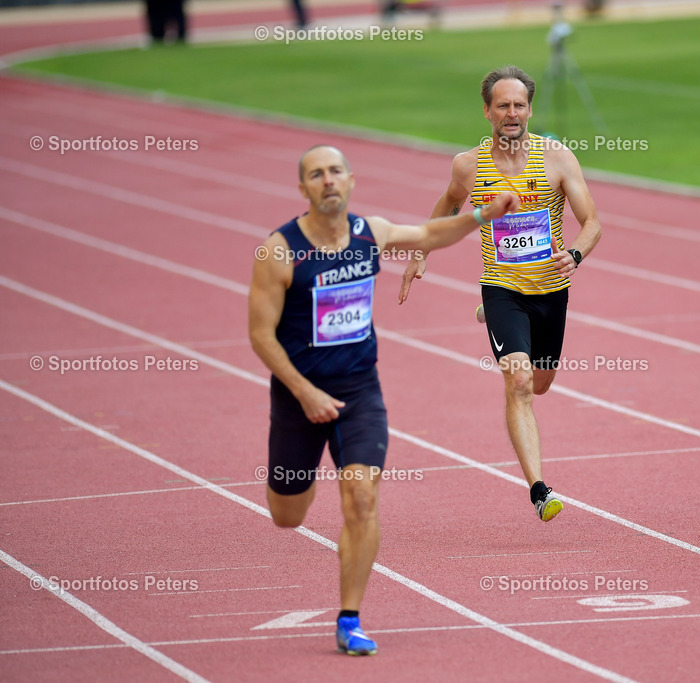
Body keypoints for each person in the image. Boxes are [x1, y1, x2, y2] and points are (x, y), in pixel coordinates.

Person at [249, 145, 517, 655]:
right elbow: (261, 336)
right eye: (316, 174)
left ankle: (349, 619)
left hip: (358, 390)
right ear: (303, 188)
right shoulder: (278, 252)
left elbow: (430, 234)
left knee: (362, 497)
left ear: (351, 180)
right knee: (288, 514)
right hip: (299, 395)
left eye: (335, 171)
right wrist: (305, 392)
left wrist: (483, 214)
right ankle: (295, 480)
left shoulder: (369, 233)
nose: (328, 180)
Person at [399, 65, 602, 522]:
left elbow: (592, 221)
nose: (512, 113)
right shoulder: (468, 166)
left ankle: (491, 317)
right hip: (502, 286)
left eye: (519, 105)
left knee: (541, 383)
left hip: (551, 290)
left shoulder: (558, 159)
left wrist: (576, 254)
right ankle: (539, 490)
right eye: (503, 105)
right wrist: (420, 252)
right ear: (487, 112)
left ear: (530, 110)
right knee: (520, 381)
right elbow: (448, 204)